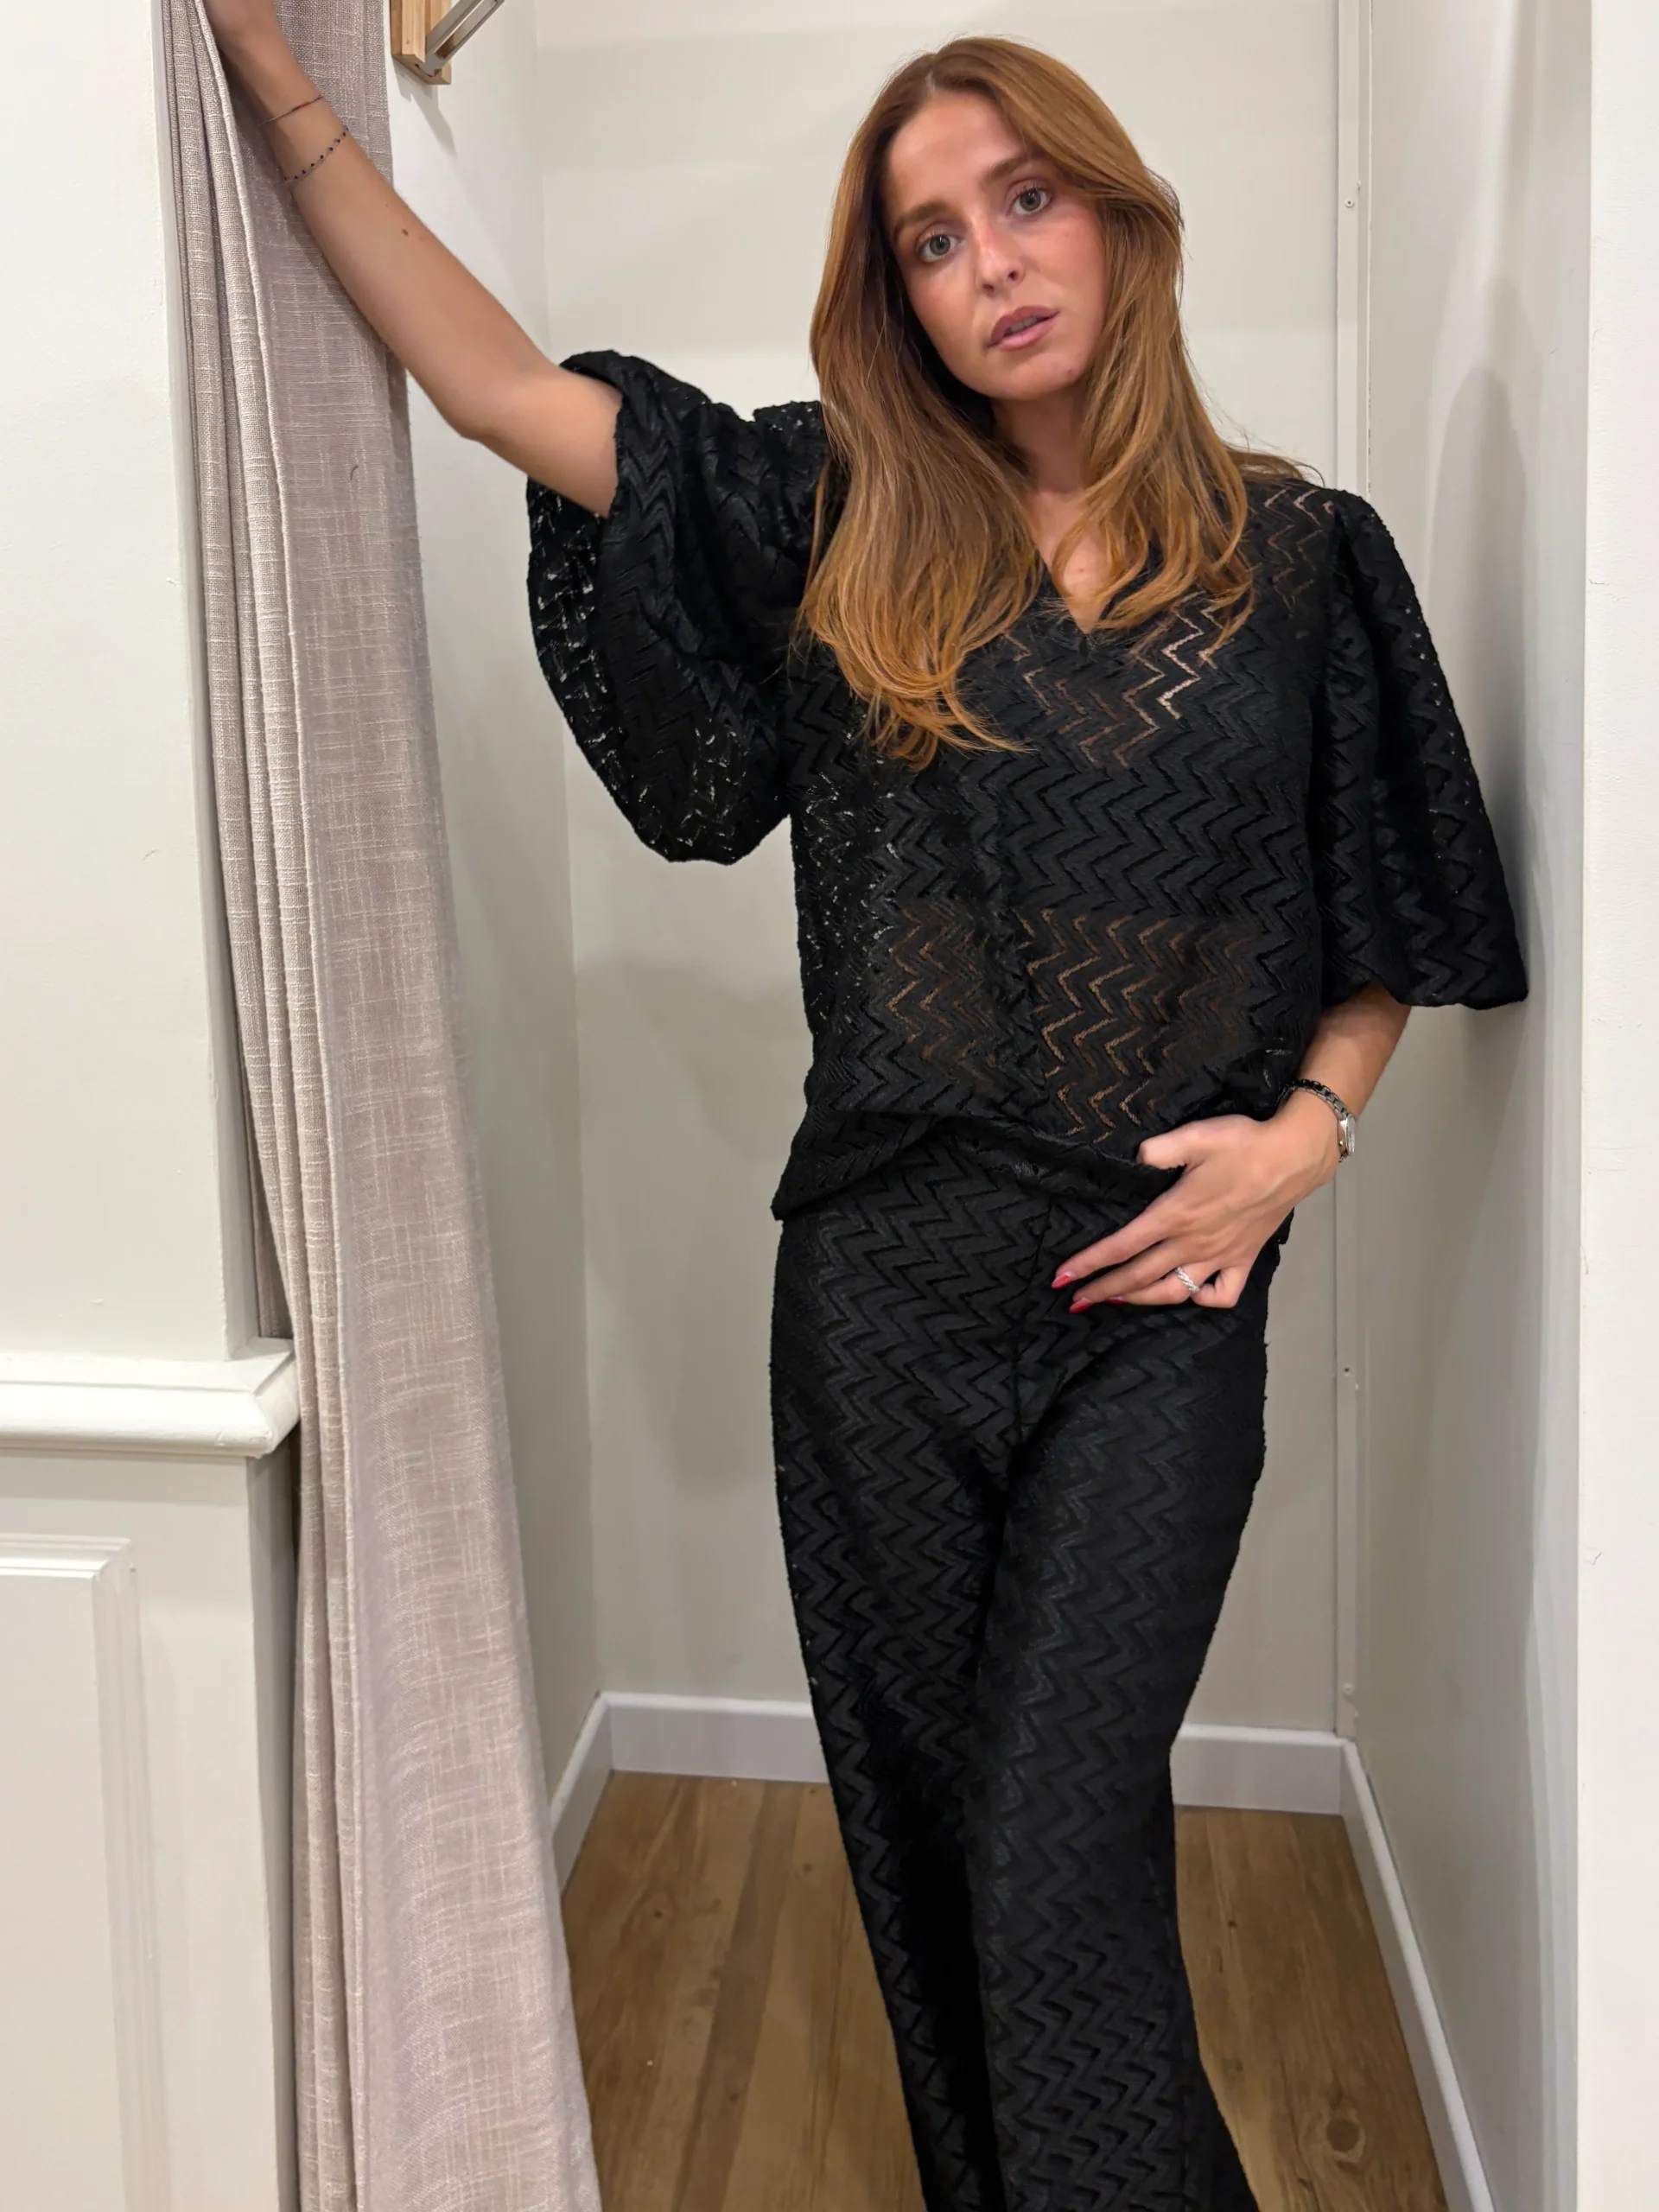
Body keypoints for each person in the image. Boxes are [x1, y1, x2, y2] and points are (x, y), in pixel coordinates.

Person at [203, 15, 1528, 2209]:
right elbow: (500, 390)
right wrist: (280, 80)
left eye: (1026, 200)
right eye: (930, 238)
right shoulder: (840, 516)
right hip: (880, 1298)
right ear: (893, 295)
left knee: (1054, 1848)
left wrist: (1311, 1131)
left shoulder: (1306, 561)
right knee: (929, 1855)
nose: (991, 262)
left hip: (1156, 1307)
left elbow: (1385, 907)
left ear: (1119, 221)